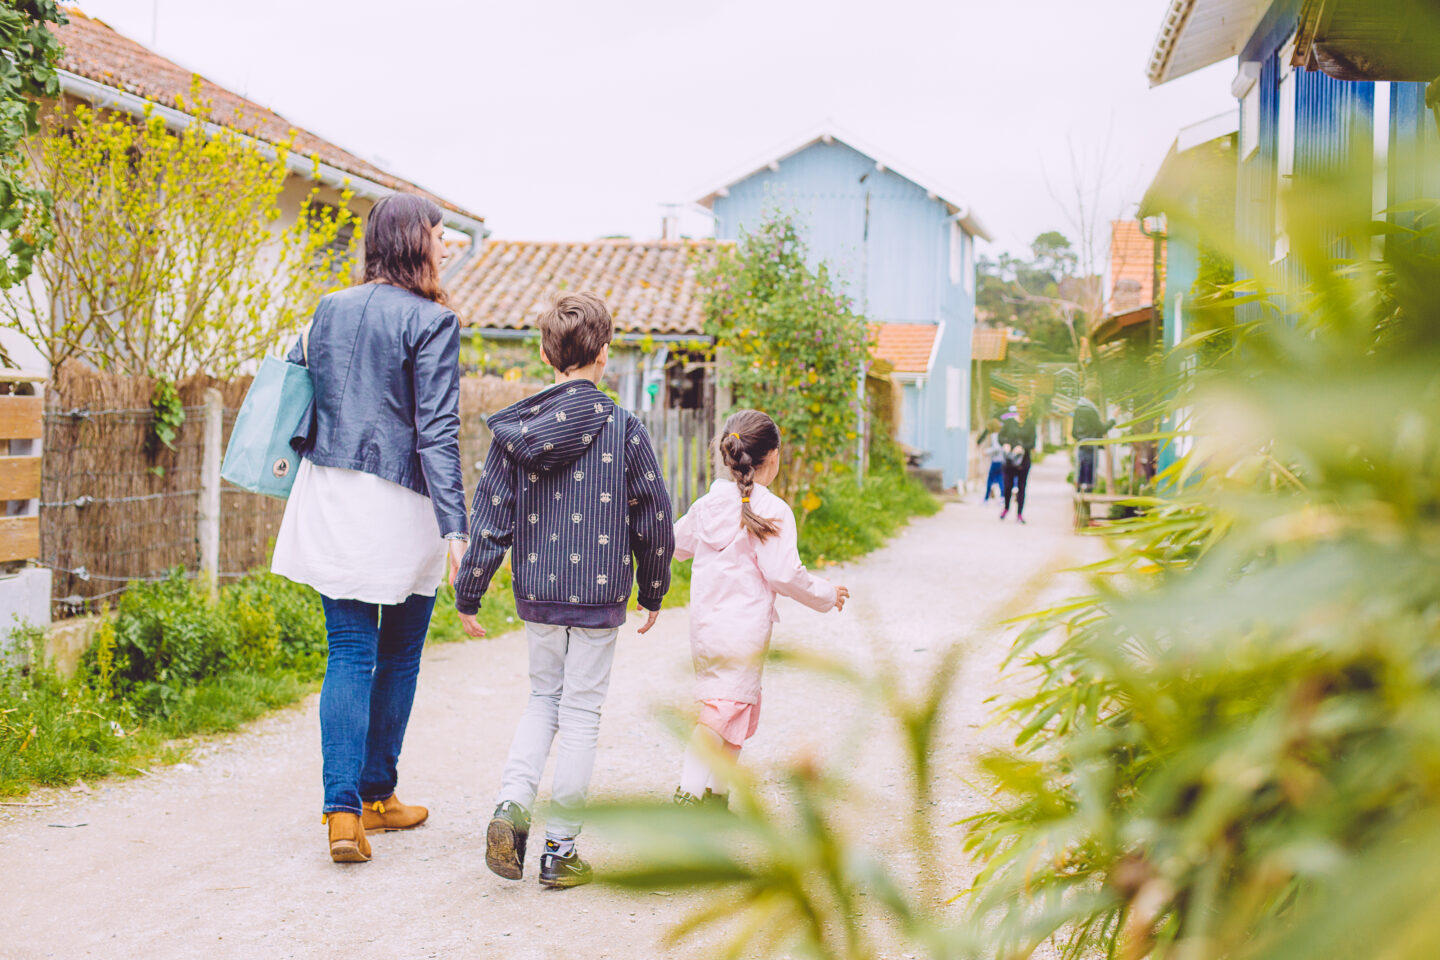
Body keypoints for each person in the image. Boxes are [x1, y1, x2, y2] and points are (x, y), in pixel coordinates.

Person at [454, 292, 675, 889]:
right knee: (581, 713)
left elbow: (491, 515)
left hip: (541, 594)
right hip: (600, 596)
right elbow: (654, 512)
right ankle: (560, 850)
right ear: (604, 355)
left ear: (548, 355)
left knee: (540, 699)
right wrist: (653, 589)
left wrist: (469, 591)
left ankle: (510, 808)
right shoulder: (625, 428)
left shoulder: (515, 432)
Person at [272, 194, 469, 864]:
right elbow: (438, 432)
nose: (446, 246)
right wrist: (456, 526)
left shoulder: (328, 309)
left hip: (326, 492)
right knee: (400, 653)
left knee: (348, 652)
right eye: (440, 237)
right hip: (398, 501)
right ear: (419, 241)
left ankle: (343, 812)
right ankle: (378, 794)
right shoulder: (434, 321)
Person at [670, 409, 850, 810]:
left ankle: (716, 795)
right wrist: (826, 594)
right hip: (743, 630)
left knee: (736, 704)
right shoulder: (773, 510)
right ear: (773, 457)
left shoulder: (707, 505)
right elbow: (784, 573)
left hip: (705, 627)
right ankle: (688, 792)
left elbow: (674, 545)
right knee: (722, 709)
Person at [999, 400, 1037, 523]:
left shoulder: (1030, 425)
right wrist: (1005, 444)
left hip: (1023, 460)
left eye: (1024, 408)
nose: (1022, 410)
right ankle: (1006, 508)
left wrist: (1023, 447)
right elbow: (1001, 436)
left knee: (1022, 486)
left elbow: (1032, 443)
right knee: (1007, 486)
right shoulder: (1009, 422)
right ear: (1017, 409)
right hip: (1010, 459)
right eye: (1020, 408)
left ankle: (1019, 514)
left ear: (1027, 410)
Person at [1071, 387, 1115, 492]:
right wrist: (1113, 419)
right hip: (1091, 447)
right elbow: (1101, 428)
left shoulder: (1078, 408)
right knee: (1089, 480)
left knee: (1080, 476)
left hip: (1081, 445)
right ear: (1093, 395)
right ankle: (1086, 501)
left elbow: (1073, 432)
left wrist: (1080, 438)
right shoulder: (1091, 410)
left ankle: (1079, 504)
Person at [979, 419, 1004, 502]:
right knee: (1000, 479)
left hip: (996, 460)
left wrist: (986, 451)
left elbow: (996, 448)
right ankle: (1002, 497)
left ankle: (986, 498)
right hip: (1002, 460)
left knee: (990, 479)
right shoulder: (1001, 434)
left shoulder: (994, 435)